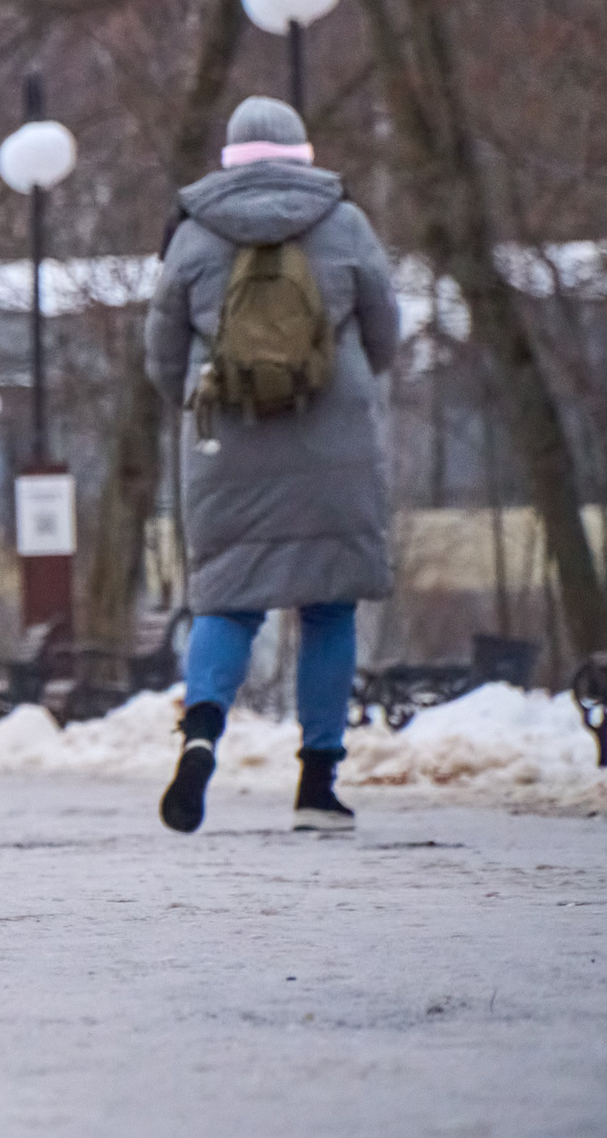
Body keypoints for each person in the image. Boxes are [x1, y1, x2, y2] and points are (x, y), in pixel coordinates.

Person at [147, 96, 398, 835]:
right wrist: (344, 385)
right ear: (302, 153)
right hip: (334, 450)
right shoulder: (345, 222)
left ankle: (199, 736)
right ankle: (318, 785)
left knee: (226, 600)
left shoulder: (192, 235)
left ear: (230, 158)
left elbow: (161, 352)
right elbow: (384, 330)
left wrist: (197, 402)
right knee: (330, 604)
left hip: (229, 444)